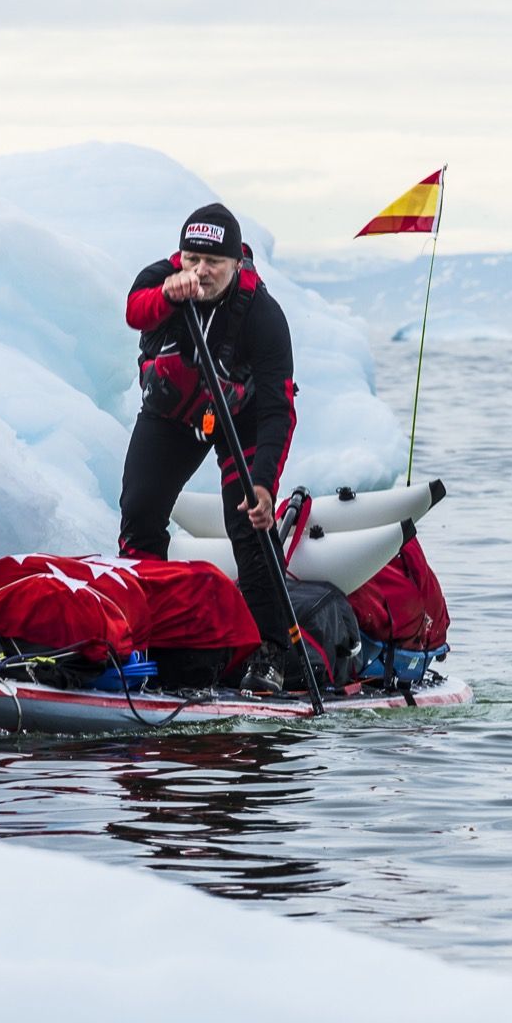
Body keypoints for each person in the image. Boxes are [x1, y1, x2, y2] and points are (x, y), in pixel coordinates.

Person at [118, 202, 296, 691]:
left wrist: (263, 484)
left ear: (237, 261)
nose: (200, 270)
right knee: (140, 512)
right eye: (192, 258)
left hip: (243, 420)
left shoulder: (262, 314)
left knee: (248, 524)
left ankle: (273, 652)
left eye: (213, 262)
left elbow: (280, 407)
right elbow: (135, 311)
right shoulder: (162, 278)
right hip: (174, 416)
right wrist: (168, 298)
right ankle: (145, 638)